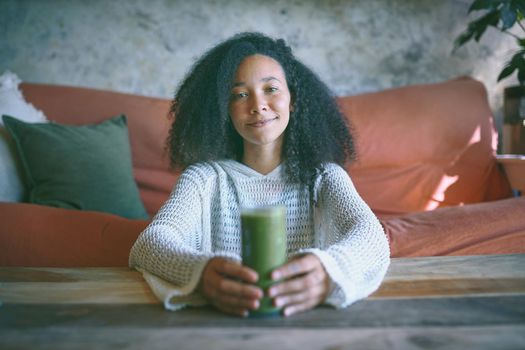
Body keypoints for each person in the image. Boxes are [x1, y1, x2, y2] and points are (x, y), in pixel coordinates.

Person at [129, 32, 390, 317]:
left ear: (293, 99)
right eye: (240, 94)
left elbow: (371, 235)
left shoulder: (324, 177)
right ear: (225, 110)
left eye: (271, 89)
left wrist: (329, 271)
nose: (257, 105)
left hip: (308, 324)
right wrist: (200, 273)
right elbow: (151, 242)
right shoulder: (203, 179)